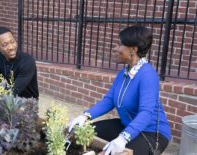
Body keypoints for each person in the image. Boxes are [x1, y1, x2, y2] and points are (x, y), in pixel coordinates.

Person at [68, 25, 171, 155]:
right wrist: (85, 116)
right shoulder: (124, 72)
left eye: (121, 44)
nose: (116, 48)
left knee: (110, 153)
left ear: (133, 49)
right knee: (84, 133)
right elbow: (109, 100)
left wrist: (123, 137)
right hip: (127, 126)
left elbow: (146, 113)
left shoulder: (148, 75)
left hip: (151, 134)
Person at [0, 26, 39, 99]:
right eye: (5, 45)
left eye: (12, 42)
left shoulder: (27, 62)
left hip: (28, 103)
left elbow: (14, 90)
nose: (11, 47)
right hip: (10, 98)